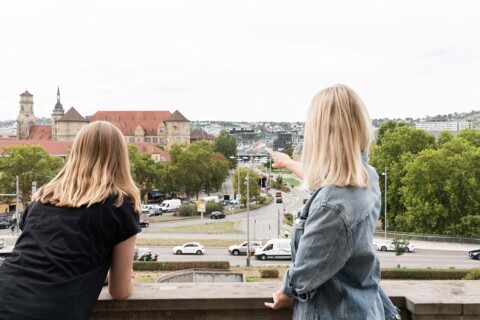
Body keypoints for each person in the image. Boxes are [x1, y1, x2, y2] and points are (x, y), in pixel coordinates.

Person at [264, 85, 401, 319]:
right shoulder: (367, 177)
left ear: (320, 134)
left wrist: (286, 292)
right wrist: (287, 163)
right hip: (366, 308)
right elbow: (326, 179)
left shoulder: (332, 207)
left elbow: (306, 273)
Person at [0, 121, 142, 320]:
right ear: (120, 156)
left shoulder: (42, 199)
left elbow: (44, 259)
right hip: (49, 311)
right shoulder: (119, 205)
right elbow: (119, 291)